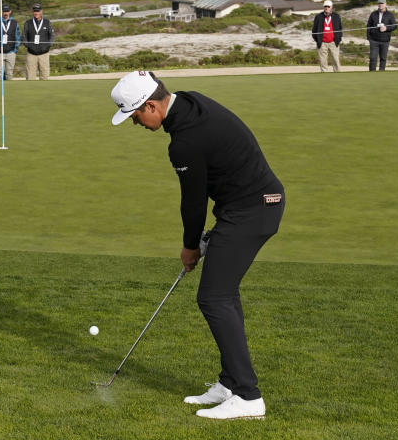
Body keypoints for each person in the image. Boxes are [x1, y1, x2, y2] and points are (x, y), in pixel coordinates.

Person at [110, 70, 285, 421]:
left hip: (253, 210)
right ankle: (230, 383)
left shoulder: (184, 142)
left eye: (135, 115)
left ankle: (249, 398)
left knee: (214, 298)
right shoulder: (190, 101)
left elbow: (193, 203)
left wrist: (191, 245)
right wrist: (211, 236)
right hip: (248, 206)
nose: (136, 124)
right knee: (223, 294)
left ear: (152, 106)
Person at [22, 3, 54, 80]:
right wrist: (28, 45)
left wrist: (48, 45)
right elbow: (24, 36)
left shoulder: (47, 22)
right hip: (31, 54)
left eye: (38, 11)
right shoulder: (28, 23)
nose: (36, 13)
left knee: (44, 76)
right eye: (34, 11)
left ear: (41, 11)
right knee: (30, 77)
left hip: (44, 54)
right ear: (32, 12)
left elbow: (52, 35)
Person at [0, 4, 20, 80]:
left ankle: (10, 91)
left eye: (7, 11)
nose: (5, 13)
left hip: (11, 52)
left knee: (9, 73)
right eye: (4, 11)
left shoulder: (14, 23)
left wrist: (15, 50)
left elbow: (17, 37)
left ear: (10, 12)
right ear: (1, 12)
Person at [366, 0, 398, 71]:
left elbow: (394, 26)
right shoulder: (373, 14)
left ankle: (381, 73)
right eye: (379, 3)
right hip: (374, 40)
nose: (381, 5)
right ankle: (371, 73)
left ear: (385, 4)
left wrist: (386, 28)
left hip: (385, 40)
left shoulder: (390, 15)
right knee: (373, 58)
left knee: (383, 58)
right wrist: (369, 38)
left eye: (382, 3)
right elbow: (368, 26)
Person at [311, 0, 342, 72]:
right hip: (322, 42)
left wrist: (338, 38)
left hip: (333, 42)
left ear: (331, 7)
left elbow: (340, 29)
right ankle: (324, 74)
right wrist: (318, 40)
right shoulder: (318, 16)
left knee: (335, 59)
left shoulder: (336, 16)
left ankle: (337, 73)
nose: (326, 8)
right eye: (325, 6)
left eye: (328, 6)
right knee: (323, 61)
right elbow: (314, 30)